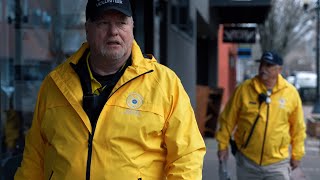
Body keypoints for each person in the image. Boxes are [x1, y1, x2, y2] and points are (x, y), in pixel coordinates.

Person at [14, 0, 206, 179]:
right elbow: (34, 158)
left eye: (121, 23)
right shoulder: (54, 84)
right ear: (87, 29)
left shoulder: (164, 84)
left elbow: (187, 157)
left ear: (132, 27)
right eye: (103, 23)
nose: (113, 31)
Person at [215, 51, 306, 180]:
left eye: (268, 65)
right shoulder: (244, 90)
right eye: (262, 64)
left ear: (279, 69)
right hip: (247, 162)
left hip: (277, 164)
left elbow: (298, 128)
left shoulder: (290, 93)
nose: (263, 68)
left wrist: (297, 155)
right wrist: (222, 146)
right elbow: (227, 120)